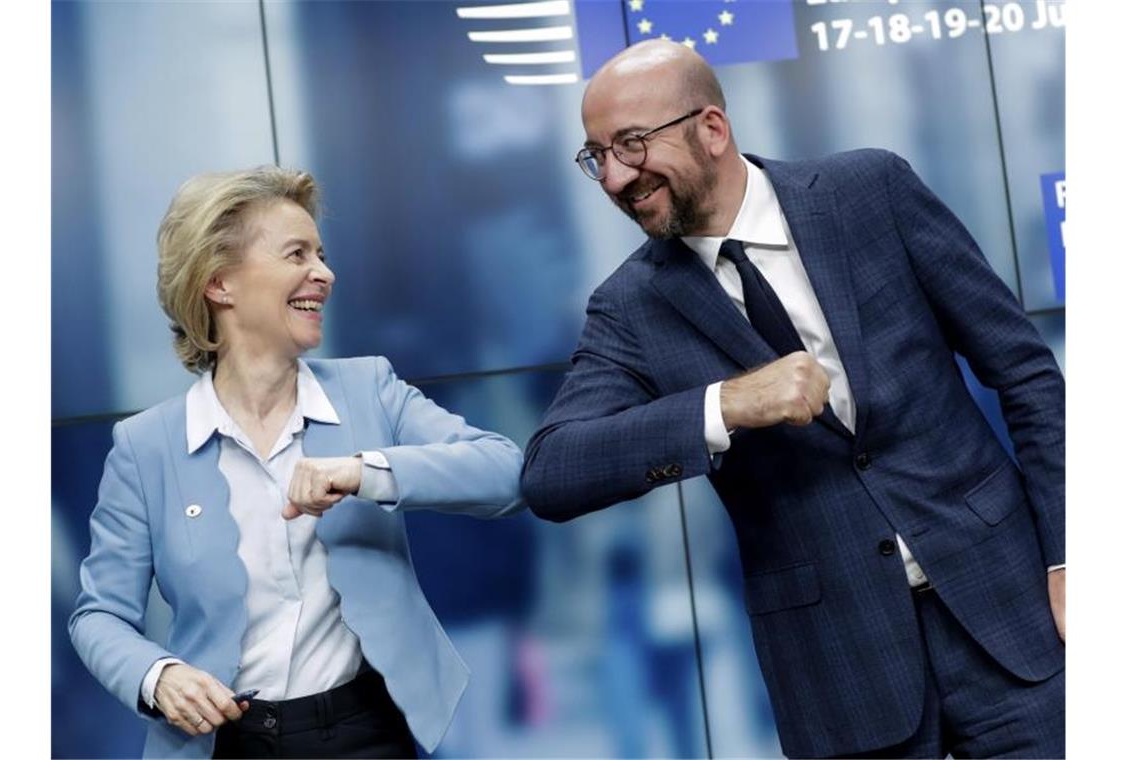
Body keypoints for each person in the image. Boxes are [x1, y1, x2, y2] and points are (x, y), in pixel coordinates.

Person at [521, 40, 1064, 759]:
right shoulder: (631, 308)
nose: (617, 176)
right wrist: (723, 407)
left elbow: (1025, 372)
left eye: (632, 144)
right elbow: (551, 473)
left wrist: (1073, 556)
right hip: (842, 675)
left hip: (1012, 615)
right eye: (597, 156)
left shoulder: (873, 192)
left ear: (712, 128)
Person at [69, 167, 524, 759]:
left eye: (322, 253)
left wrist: (365, 471)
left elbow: (505, 471)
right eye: (296, 254)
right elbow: (98, 615)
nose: (324, 273)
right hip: (223, 743)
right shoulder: (145, 446)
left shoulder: (370, 389)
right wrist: (158, 676)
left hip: (366, 732)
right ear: (220, 283)